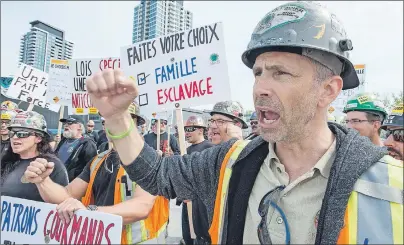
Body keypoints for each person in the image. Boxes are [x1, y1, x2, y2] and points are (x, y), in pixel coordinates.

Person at [53, 2, 404, 244]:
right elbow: (157, 174)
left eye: (280, 73)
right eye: (258, 73)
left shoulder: (393, 182)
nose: (261, 88)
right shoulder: (230, 161)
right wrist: (116, 117)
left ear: (328, 90)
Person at [1, 111, 68, 202]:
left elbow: (64, 201)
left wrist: (42, 181)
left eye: (22, 133)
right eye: (12, 133)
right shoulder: (7, 161)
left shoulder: (51, 165)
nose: (15, 137)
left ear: (38, 138)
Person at [181, 115, 214, 245]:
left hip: (202, 205)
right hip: (187, 203)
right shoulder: (186, 150)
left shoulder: (210, 148)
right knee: (188, 235)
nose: (187, 132)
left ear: (201, 130)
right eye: (186, 129)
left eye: (191, 129)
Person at [54, 115, 97, 181]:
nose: (66, 125)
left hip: (73, 184)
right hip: (58, 180)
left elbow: (91, 168)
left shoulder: (88, 144)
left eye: (70, 123)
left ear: (80, 127)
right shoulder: (64, 140)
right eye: (65, 123)